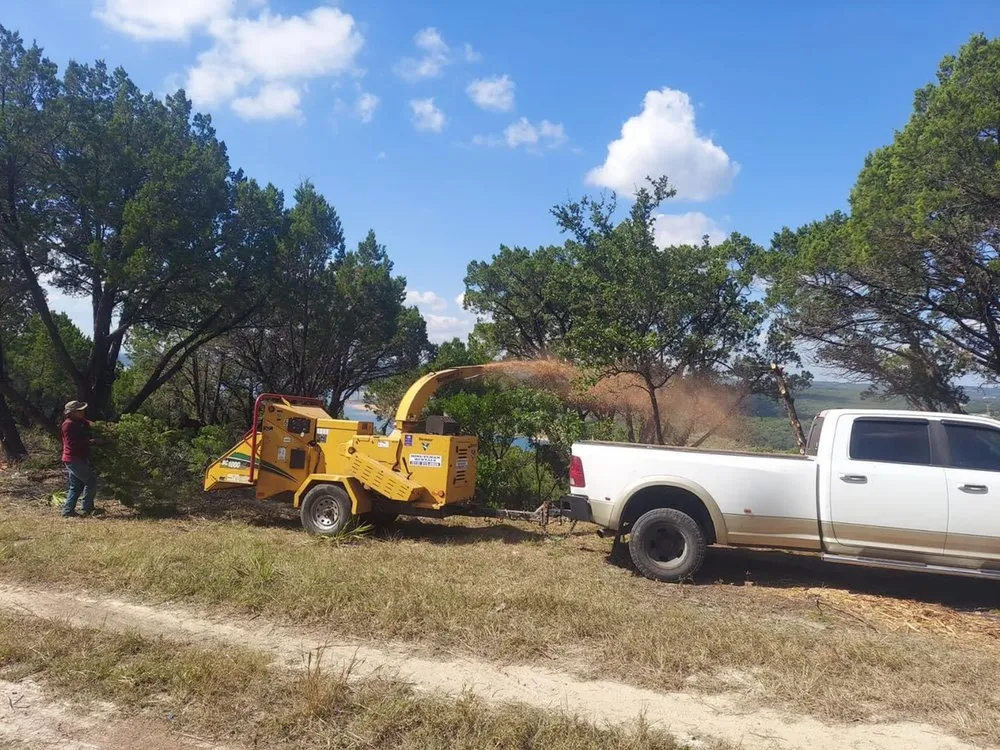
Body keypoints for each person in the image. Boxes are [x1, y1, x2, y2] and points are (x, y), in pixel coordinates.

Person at [60, 400, 98, 518]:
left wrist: (101, 427)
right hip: (73, 459)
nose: (83, 412)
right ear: (72, 413)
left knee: (76, 486)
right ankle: (87, 509)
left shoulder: (79, 421)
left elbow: (89, 423)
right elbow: (72, 444)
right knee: (91, 481)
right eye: (79, 411)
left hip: (77, 458)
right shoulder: (68, 424)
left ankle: (68, 511)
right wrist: (91, 442)